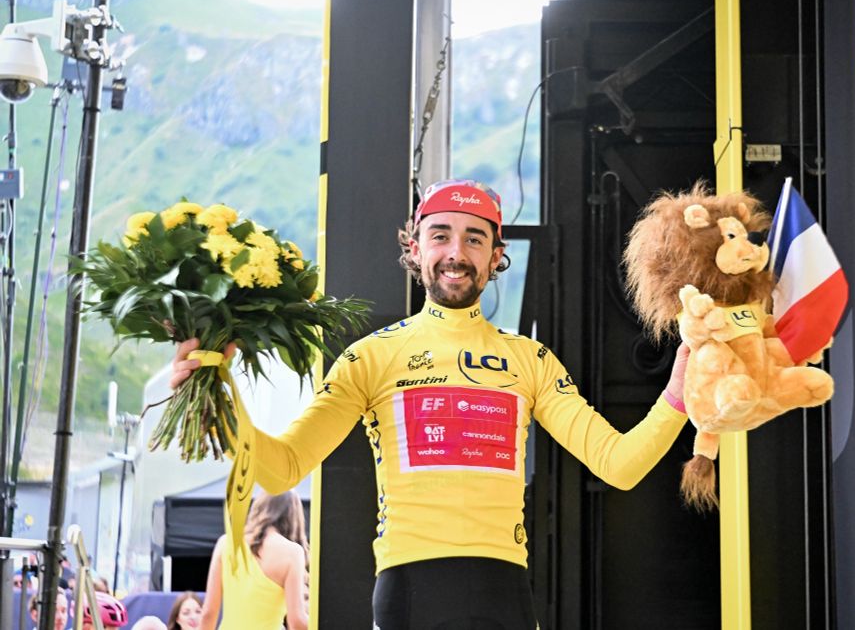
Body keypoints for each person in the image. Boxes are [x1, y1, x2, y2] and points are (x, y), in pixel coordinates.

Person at [171, 179, 689, 628]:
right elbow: (283, 467)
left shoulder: (530, 360)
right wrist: (216, 391)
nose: (456, 253)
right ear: (415, 248)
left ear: (496, 256)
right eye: (440, 235)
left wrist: (680, 392)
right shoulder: (370, 358)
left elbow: (618, 465)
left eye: (474, 238)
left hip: (505, 591)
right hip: (409, 591)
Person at [198, 492, 309, 630]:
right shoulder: (292, 552)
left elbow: (208, 613)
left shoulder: (225, 543)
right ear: (293, 516)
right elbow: (296, 622)